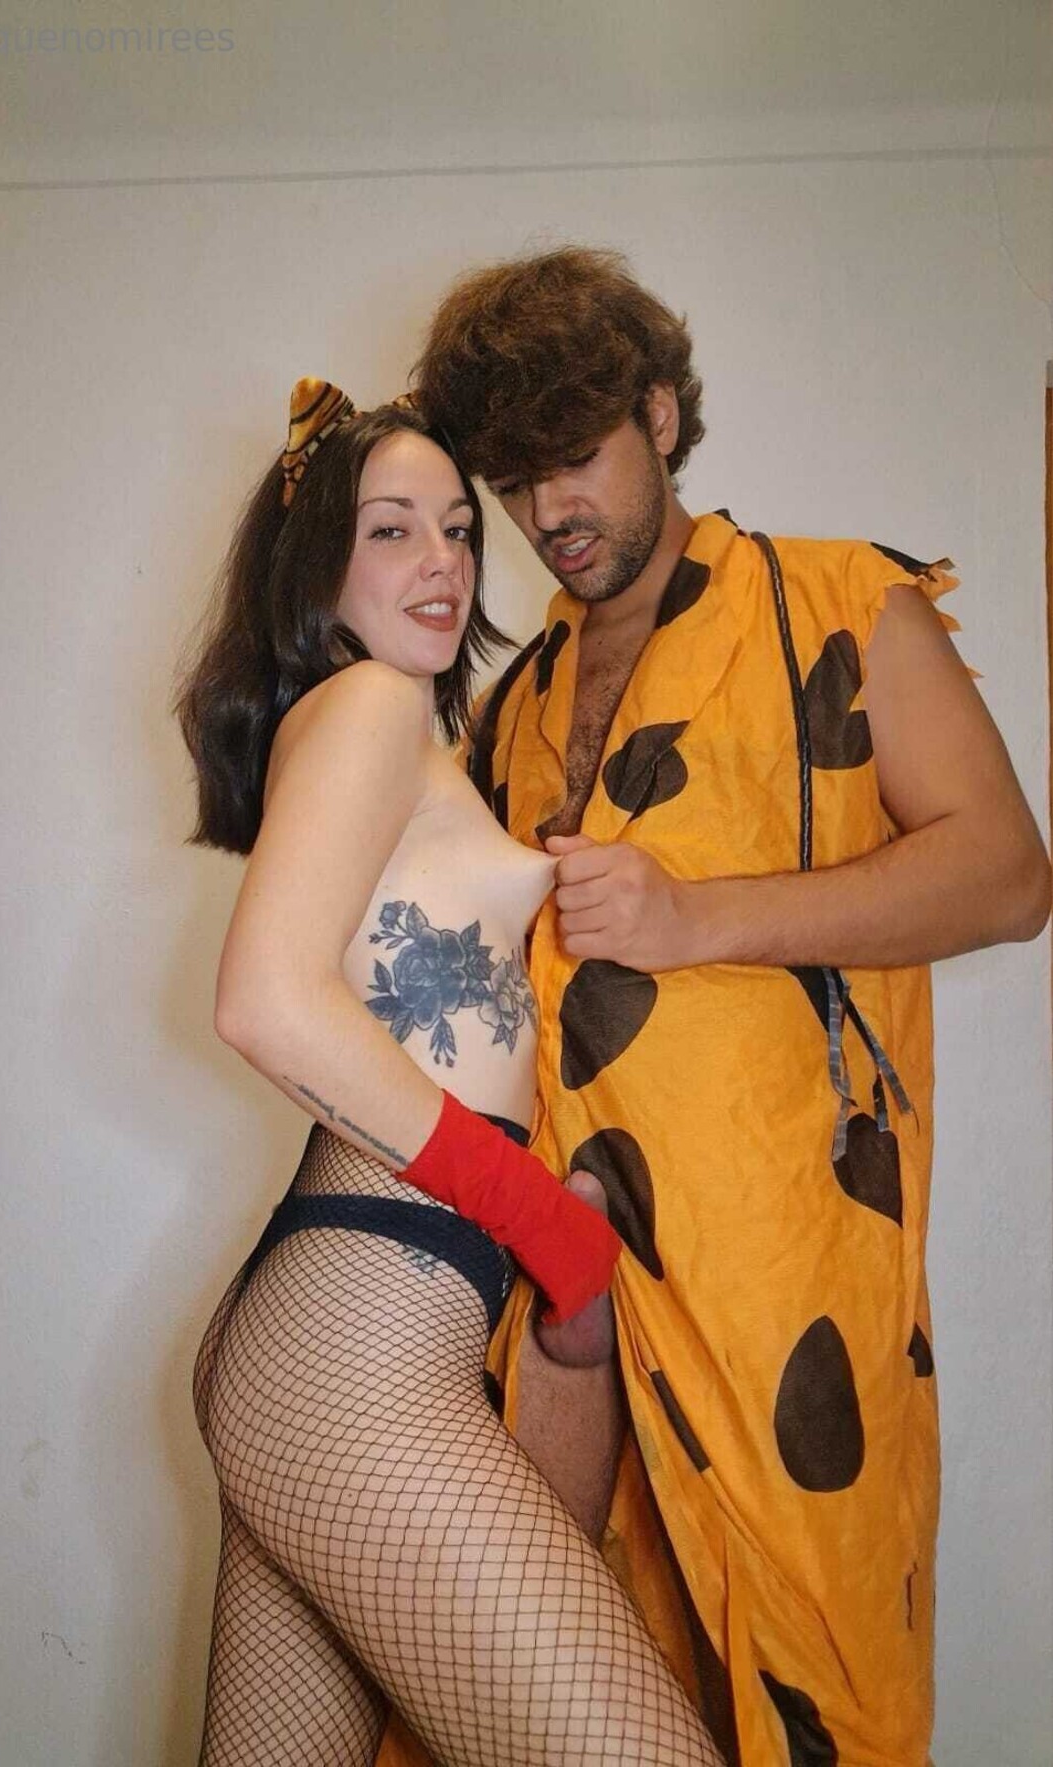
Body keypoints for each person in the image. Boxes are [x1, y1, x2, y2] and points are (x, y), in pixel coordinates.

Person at [381, 247, 1053, 1767]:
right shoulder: (513, 700)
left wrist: (700, 917)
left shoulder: (842, 603)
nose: (550, 508)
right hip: (562, 1299)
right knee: (533, 1703)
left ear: (662, 417)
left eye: (577, 453)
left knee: (817, 1707)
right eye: (514, 478)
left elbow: (1009, 874)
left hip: (783, 1285)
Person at [176, 378, 724, 1767]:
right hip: (353, 1356)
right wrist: (546, 1224)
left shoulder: (413, 741)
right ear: (319, 569)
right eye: (391, 530)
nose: (441, 562)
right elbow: (266, 1002)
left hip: (332, 1333)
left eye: (458, 530)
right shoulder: (369, 705)